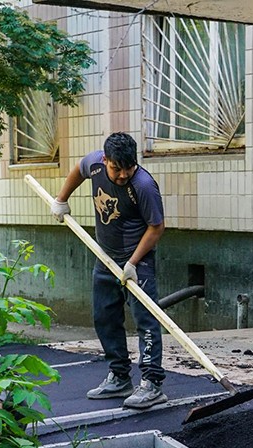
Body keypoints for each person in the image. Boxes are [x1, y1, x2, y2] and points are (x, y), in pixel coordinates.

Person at [51, 132, 167, 409]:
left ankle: (151, 383)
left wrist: (133, 263)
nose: (123, 174)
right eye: (117, 168)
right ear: (105, 160)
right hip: (104, 256)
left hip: (137, 262)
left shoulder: (143, 185)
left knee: (146, 321)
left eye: (129, 168)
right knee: (104, 317)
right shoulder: (94, 164)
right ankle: (119, 376)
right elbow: (78, 170)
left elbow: (156, 227)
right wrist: (61, 199)